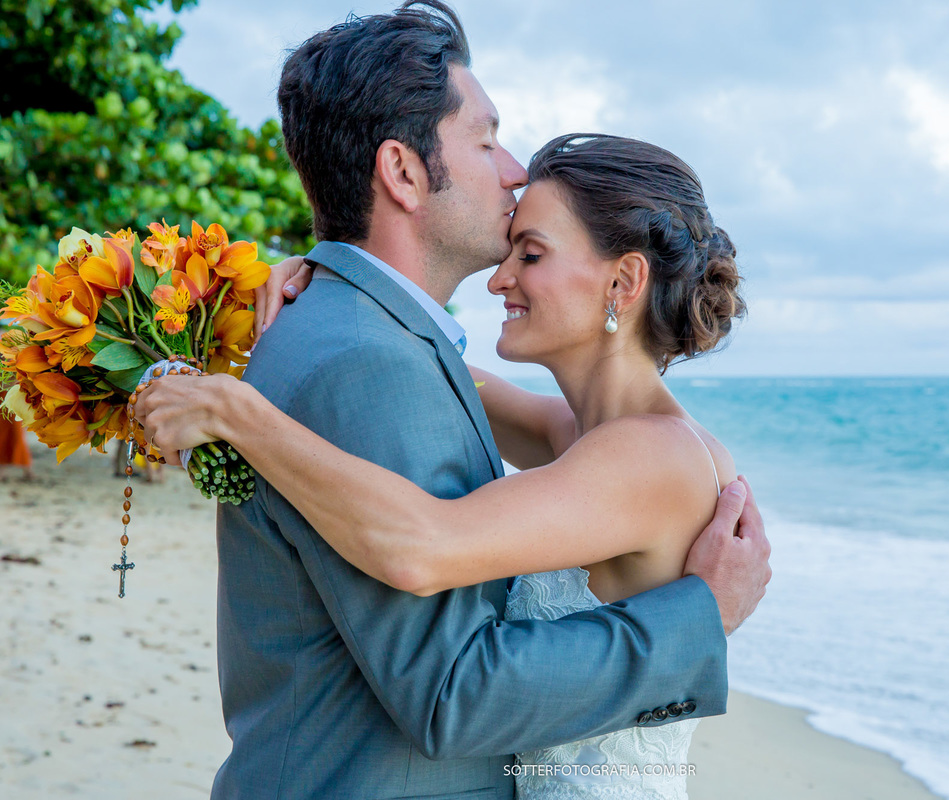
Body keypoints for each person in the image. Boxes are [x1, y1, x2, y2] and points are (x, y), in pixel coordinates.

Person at [137, 4, 769, 798]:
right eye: (487, 140)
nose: (505, 273)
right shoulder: (570, 427)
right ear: (402, 172)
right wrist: (320, 267)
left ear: (623, 282)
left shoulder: (648, 455)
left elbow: (423, 544)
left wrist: (239, 412)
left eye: (530, 254)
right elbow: (424, 365)